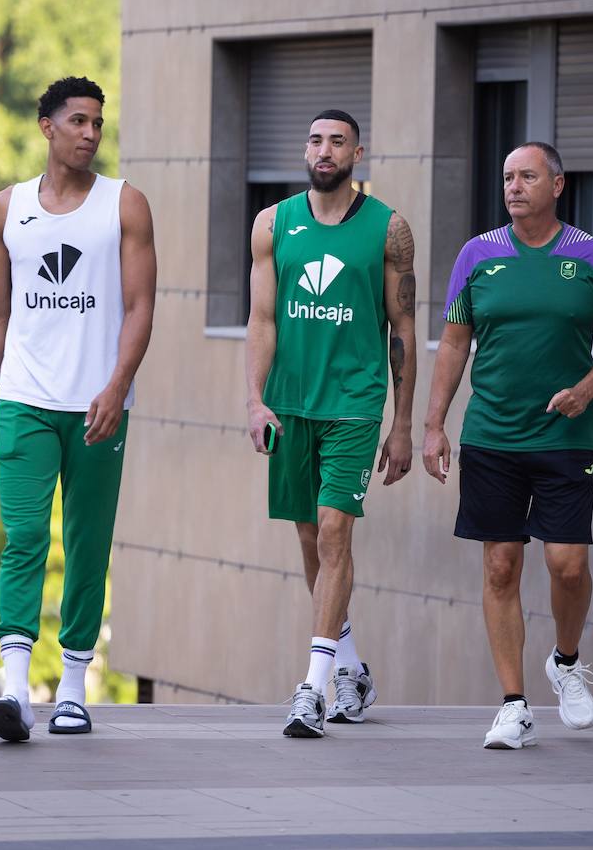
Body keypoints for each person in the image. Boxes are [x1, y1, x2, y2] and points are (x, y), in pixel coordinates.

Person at [422, 141, 593, 749]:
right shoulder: (477, 255)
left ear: (557, 185)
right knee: (500, 564)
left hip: (565, 436)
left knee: (568, 566)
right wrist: (434, 424)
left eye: (528, 176)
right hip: (491, 434)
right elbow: (455, 343)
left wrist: (586, 389)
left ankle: (565, 662)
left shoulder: (592, 257)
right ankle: (514, 705)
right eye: (509, 176)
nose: (514, 186)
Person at [0, 76, 157, 742]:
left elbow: (141, 307)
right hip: (23, 401)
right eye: (77, 121)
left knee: (86, 543)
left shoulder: (125, 206)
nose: (90, 134)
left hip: (98, 406)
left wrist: (117, 384)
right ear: (46, 126)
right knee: (24, 540)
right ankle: (13, 688)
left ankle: (73, 687)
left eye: (98, 123)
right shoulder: (6, 209)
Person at [246, 110, 417, 737]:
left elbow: (403, 333)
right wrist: (254, 400)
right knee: (310, 540)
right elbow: (262, 320)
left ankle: (311, 690)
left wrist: (402, 426)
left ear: (357, 153)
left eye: (337, 141)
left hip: (354, 403)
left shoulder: (389, 230)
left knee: (336, 532)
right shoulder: (272, 223)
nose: (324, 150)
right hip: (291, 405)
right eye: (315, 139)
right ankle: (349, 666)